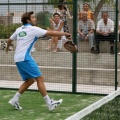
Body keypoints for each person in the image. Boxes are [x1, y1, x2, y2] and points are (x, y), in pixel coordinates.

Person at [6, 11, 71, 111]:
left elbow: (9, 40)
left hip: (18, 58)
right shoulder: (33, 29)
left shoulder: (19, 29)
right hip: (25, 58)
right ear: (28, 20)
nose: (35, 19)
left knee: (30, 80)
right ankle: (50, 103)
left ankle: (15, 99)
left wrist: (6, 49)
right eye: (33, 18)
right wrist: (65, 33)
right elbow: (52, 33)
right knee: (40, 78)